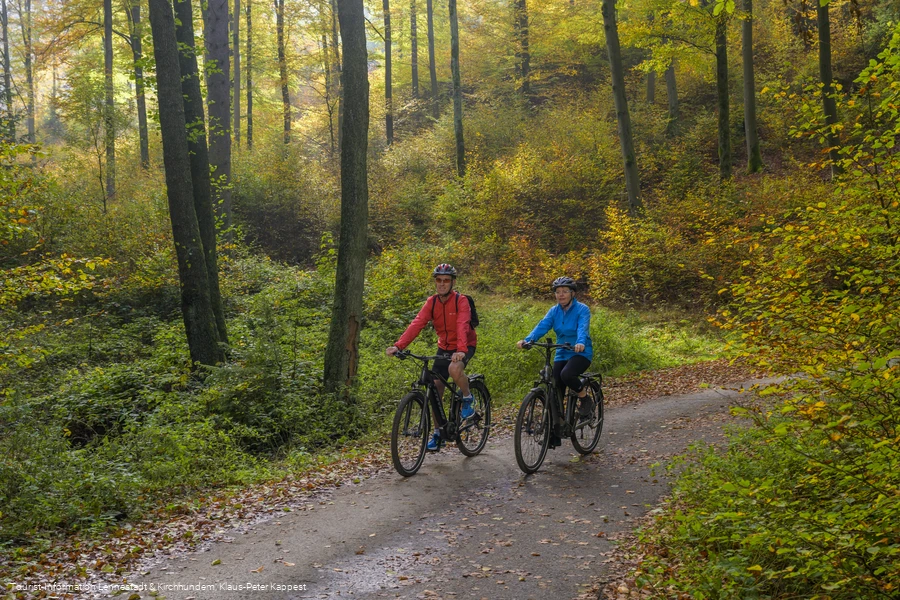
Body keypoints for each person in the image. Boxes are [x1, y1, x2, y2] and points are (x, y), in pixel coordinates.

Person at [386, 263, 477, 451]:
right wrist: (398, 346)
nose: (442, 284)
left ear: (452, 282)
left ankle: (467, 397)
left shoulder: (461, 301)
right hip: (444, 346)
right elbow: (417, 323)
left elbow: (462, 325)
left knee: (454, 369)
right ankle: (438, 433)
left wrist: (460, 350)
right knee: (435, 388)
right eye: (439, 280)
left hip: (465, 344)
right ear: (435, 282)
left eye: (446, 281)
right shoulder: (432, 302)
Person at [516, 276, 594, 436]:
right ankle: (558, 424)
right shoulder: (554, 311)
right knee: (555, 383)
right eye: (558, 292)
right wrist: (528, 340)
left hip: (580, 352)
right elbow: (542, 326)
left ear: (572, 293)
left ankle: (584, 397)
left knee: (567, 374)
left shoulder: (582, 309)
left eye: (565, 291)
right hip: (562, 352)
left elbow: (582, 328)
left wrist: (580, 342)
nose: (561, 295)